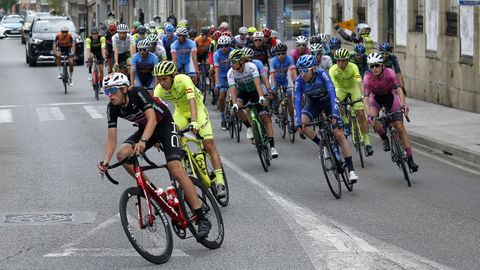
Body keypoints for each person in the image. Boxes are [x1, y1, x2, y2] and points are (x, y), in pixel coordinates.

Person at [97, 73, 212, 238]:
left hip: (164, 125)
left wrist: (144, 140)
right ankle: (152, 190)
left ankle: (201, 218)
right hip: (146, 130)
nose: (109, 95)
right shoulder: (112, 107)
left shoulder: (137, 92)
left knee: (175, 169)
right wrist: (105, 161)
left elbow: (152, 119)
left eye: (113, 90)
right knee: (122, 154)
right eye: (106, 91)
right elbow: (111, 139)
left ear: (124, 89)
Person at [153, 61, 227, 196]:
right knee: (173, 134)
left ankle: (220, 181)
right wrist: (156, 135)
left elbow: (192, 102)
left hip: (197, 109)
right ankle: (185, 163)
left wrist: (194, 122)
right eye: (159, 80)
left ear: (173, 76)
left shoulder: (184, 80)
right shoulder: (159, 89)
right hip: (180, 112)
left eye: (164, 79)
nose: (162, 83)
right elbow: (156, 114)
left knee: (208, 144)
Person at [294, 55, 359, 183]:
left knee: (338, 134)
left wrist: (335, 113)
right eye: (300, 71)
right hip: (313, 105)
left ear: (313, 69)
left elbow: (332, 91)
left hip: (329, 103)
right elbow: (297, 99)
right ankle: (321, 145)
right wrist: (297, 121)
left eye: (305, 70)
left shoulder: (322, 74)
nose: (303, 74)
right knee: (303, 123)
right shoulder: (299, 81)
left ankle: (351, 170)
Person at [363, 53, 419, 172]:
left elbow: (398, 89)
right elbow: (366, 98)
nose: (374, 69)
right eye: (372, 66)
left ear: (382, 65)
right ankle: (384, 137)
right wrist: (368, 114)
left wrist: (403, 104)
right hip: (376, 99)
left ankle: (410, 159)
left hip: (390, 97)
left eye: (377, 65)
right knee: (373, 118)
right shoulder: (367, 78)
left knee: (399, 126)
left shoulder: (390, 73)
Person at [227, 49, 279, 158]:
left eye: (233, 61)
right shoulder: (231, 72)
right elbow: (232, 89)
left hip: (256, 91)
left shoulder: (251, 66)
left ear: (241, 61)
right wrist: (234, 104)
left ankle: (272, 146)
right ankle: (249, 127)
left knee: (265, 117)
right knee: (237, 108)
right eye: (230, 61)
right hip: (243, 93)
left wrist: (261, 97)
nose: (231, 64)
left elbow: (257, 83)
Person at [329, 48, 373, 156]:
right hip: (340, 88)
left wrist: (363, 95)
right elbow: (332, 87)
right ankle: (346, 121)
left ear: (347, 60)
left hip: (353, 88)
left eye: (343, 60)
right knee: (336, 100)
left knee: (361, 113)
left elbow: (359, 81)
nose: (340, 63)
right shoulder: (332, 69)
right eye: (338, 60)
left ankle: (367, 142)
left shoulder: (353, 67)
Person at [269, 43, 297, 130]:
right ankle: (274, 105)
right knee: (274, 92)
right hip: (275, 79)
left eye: (283, 54)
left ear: (286, 53)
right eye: (278, 54)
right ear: (276, 54)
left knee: (289, 98)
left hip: (284, 80)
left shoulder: (290, 59)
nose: (281, 56)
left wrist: (296, 83)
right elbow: (272, 75)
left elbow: (293, 71)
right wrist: (273, 87)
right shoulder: (273, 61)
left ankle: (292, 121)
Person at [213, 36, 234, 130]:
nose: (224, 48)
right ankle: (223, 118)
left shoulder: (233, 52)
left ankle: (234, 115)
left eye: (226, 46)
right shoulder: (217, 54)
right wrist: (217, 83)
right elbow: (216, 70)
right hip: (221, 75)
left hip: (232, 74)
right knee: (221, 96)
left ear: (229, 45)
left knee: (234, 94)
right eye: (221, 46)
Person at [378, 42, 407, 106]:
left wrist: (402, 88)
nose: (384, 56)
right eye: (382, 54)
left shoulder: (393, 57)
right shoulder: (377, 57)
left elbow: (398, 73)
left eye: (387, 54)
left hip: (389, 76)